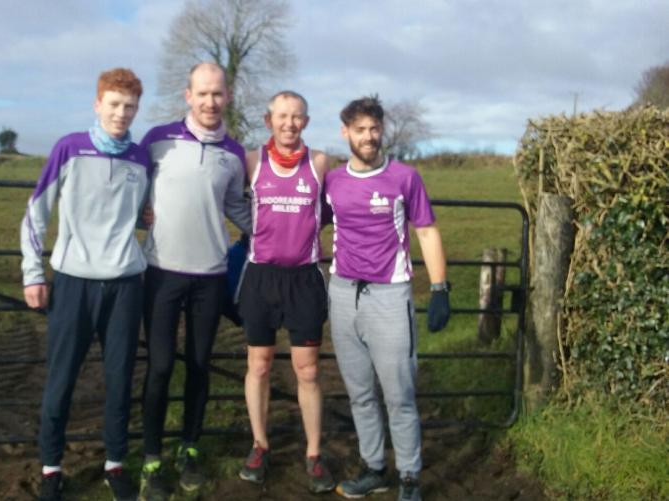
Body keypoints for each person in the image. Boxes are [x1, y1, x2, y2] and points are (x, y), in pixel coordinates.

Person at [20, 68, 149, 501]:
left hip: (126, 285)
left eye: (129, 106)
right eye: (113, 104)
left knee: (119, 379)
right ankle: (51, 468)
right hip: (74, 282)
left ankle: (115, 463)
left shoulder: (141, 157)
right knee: (61, 380)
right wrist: (33, 273)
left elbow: (148, 210)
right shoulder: (69, 148)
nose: (121, 113)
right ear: (97, 104)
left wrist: (148, 216)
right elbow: (37, 211)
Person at [323, 96, 451, 501]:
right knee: (360, 393)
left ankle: (409, 477)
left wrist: (439, 287)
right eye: (359, 129)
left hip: (389, 298)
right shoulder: (333, 181)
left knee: (399, 395)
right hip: (343, 294)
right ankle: (374, 468)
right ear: (345, 132)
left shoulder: (404, 178)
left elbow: (426, 231)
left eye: (374, 129)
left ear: (383, 131)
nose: (368, 137)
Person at [138, 62, 252, 501]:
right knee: (161, 365)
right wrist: (136, 214)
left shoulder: (234, 154)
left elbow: (238, 209)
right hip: (162, 273)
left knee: (200, 365)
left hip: (211, 276)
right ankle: (151, 458)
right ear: (188, 95)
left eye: (218, 94)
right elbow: (132, 189)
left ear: (227, 96)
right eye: (202, 93)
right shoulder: (157, 140)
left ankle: (189, 448)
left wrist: (288, 230)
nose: (210, 102)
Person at [236, 91, 335, 493]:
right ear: (268, 119)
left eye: (297, 117)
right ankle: (260, 444)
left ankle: (313, 453)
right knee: (259, 364)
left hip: (304, 279)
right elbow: (219, 195)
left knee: (308, 370)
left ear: (306, 122)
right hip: (260, 278)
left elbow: (338, 207)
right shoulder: (251, 161)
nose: (289, 124)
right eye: (282, 116)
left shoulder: (321, 163)